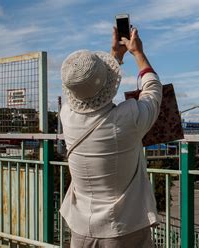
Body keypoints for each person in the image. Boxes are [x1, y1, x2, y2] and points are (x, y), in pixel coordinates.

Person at [59, 25, 162, 247]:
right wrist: (137, 52)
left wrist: (116, 56)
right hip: (123, 229)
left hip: (81, 228)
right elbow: (153, 89)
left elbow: (91, 89)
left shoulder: (66, 116)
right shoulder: (127, 117)